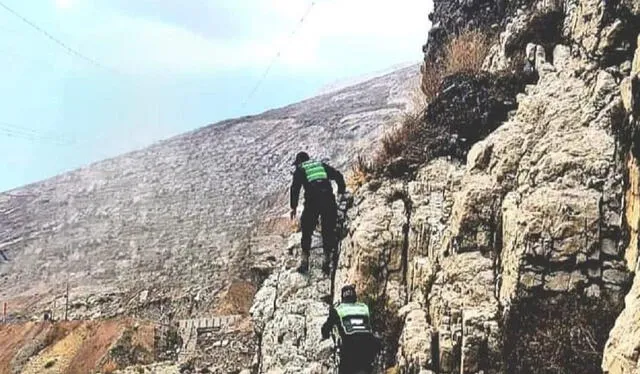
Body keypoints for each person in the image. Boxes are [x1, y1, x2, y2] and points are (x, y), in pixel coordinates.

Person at [290, 151, 346, 275]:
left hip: (312, 202)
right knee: (328, 230)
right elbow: (338, 175)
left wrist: (293, 207)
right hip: (328, 200)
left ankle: (305, 262)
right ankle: (327, 260)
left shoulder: (300, 169)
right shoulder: (320, 165)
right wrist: (341, 191)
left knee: (307, 229)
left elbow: (295, 188)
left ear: (299, 162)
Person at [321, 285, 381, 374]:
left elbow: (326, 328)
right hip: (368, 345)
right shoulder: (364, 307)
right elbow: (374, 324)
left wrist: (325, 335)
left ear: (342, 297)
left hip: (349, 347)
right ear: (355, 296)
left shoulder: (338, 309)